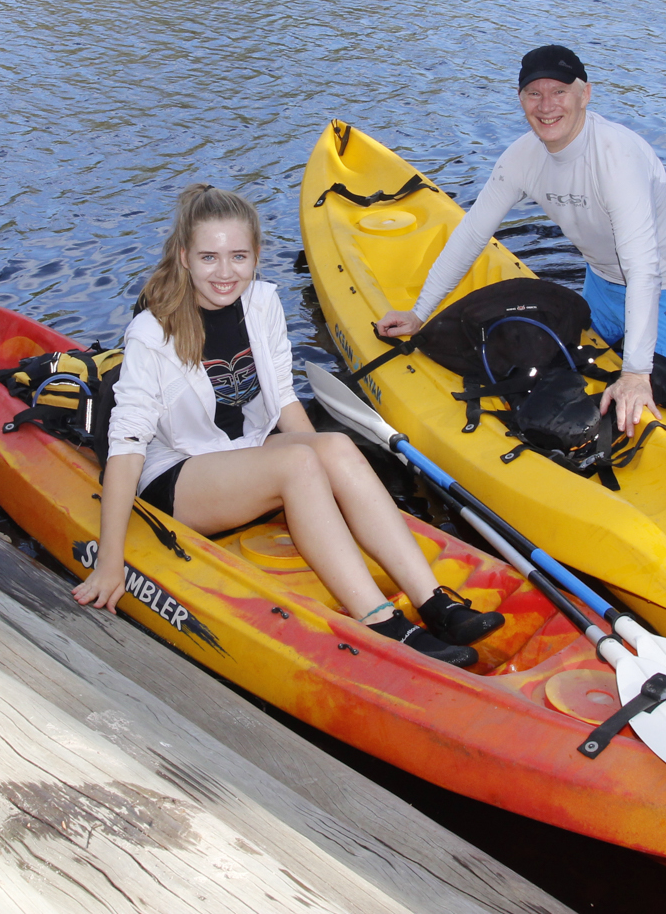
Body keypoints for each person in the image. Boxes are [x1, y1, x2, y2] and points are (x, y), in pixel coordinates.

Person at [73, 184, 503, 667]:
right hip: (177, 474)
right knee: (299, 461)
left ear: (256, 255)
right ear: (184, 257)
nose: (225, 271)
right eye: (209, 257)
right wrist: (111, 562)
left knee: (335, 444)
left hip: (246, 457)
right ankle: (381, 622)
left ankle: (433, 601)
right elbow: (126, 445)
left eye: (238, 256)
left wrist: (332, 474)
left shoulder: (262, 303)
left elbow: (280, 401)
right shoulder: (152, 333)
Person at [377, 44, 666, 436]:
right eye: (534, 93)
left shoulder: (617, 157)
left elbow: (643, 268)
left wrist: (636, 372)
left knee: (661, 400)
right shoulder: (522, 159)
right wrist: (419, 313)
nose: (546, 105)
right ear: (521, 100)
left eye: (560, 91)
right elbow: (471, 235)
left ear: (585, 95)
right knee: (575, 369)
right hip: (603, 279)